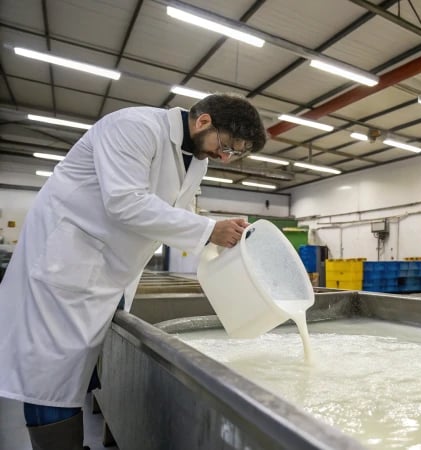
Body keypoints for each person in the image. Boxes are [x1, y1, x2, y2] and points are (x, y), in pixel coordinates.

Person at [0, 93, 267, 449]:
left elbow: (175, 213)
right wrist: (208, 231)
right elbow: (124, 202)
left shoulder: (197, 161)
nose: (225, 157)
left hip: (109, 273)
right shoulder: (133, 127)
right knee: (50, 376)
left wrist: (218, 234)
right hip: (65, 264)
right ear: (204, 122)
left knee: (77, 371)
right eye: (227, 146)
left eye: (234, 153)